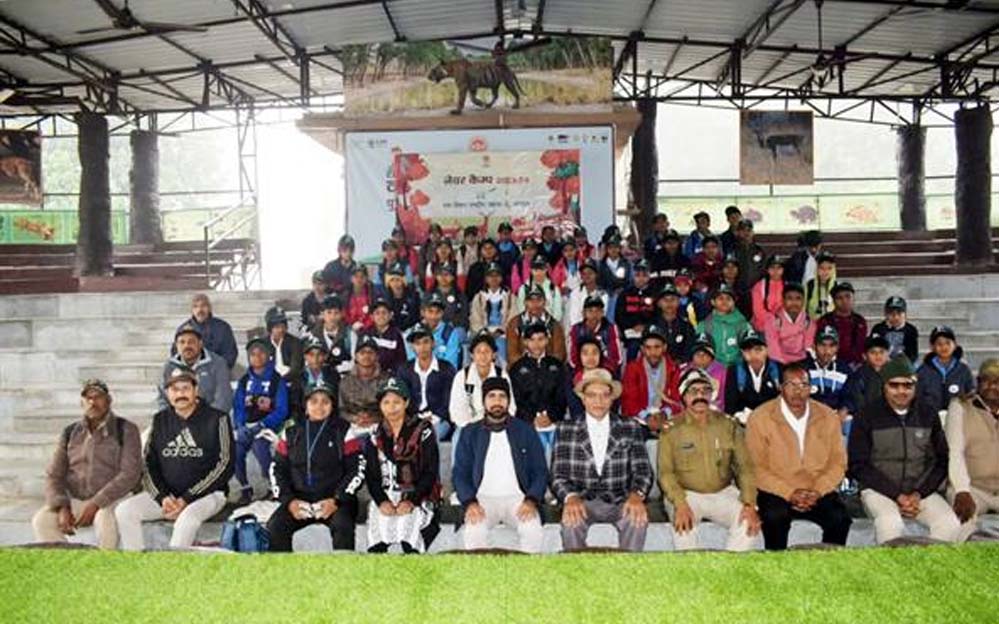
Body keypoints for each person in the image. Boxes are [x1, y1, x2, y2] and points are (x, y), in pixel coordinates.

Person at [116, 367, 234, 550]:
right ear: (167, 393)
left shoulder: (218, 419)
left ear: (196, 390)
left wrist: (187, 498)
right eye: (175, 389)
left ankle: (174, 565)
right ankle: (136, 562)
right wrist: (162, 497)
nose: (180, 394)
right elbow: (148, 464)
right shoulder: (160, 420)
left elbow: (225, 464)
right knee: (125, 511)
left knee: (186, 520)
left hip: (209, 495)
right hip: (169, 497)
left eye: (185, 388)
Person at [849, 356, 961, 544]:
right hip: (879, 490)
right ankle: (892, 565)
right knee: (890, 523)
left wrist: (918, 493)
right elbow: (858, 465)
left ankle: (930, 563)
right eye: (894, 385)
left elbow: (941, 460)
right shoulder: (866, 416)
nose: (901, 391)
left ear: (915, 386)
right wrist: (897, 495)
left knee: (949, 524)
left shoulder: (928, 414)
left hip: (920, 492)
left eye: (908, 385)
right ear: (884, 386)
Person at [746, 362, 852, 551]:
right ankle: (778, 566)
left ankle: (830, 565)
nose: (798, 391)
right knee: (774, 517)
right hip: (777, 489)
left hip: (817, 488)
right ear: (780, 387)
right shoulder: (761, 417)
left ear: (811, 388)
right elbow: (756, 467)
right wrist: (789, 493)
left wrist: (818, 490)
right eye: (791, 385)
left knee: (840, 518)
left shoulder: (827, 416)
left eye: (803, 385)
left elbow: (838, 463)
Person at [551, 369, 653, 552]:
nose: (598, 401)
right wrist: (571, 497)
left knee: (637, 519)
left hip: (621, 499)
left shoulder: (630, 426)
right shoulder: (566, 429)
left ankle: (630, 568)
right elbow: (558, 475)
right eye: (592, 395)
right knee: (571, 521)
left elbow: (643, 470)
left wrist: (636, 495)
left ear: (612, 398)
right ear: (583, 398)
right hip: (582, 499)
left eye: (605, 395)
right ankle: (575, 569)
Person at [33, 379, 141, 550]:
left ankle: (105, 564)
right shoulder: (71, 432)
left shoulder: (125, 429)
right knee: (42, 520)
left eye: (98, 397)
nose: (92, 402)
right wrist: (62, 506)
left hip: (112, 499)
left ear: (109, 400)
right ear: (81, 403)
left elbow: (130, 474)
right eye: (88, 398)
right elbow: (54, 475)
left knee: (105, 520)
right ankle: (66, 562)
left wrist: (96, 503)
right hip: (77, 500)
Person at [659, 369, 760, 552]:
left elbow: (744, 467)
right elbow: (665, 473)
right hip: (686, 494)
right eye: (693, 391)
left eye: (705, 391)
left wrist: (749, 503)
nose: (700, 396)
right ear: (684, 397)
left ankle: (728, 568)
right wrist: (679, 503)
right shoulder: (671, 429)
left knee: (748, 524)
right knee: (683, 527)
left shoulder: (728, 425)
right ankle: (692, 571)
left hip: (722, 491)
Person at [267, 380, 364, 552]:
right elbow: (277, 469)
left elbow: (357, 469)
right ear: (306, 405)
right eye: (314, 401)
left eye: (325, 402)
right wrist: (289, 501)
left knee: (343, 526)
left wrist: (337, 499)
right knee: (275, 526)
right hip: (299, 499)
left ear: (332, 406)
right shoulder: (291, 432)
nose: (319, 406)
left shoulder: (344, 431)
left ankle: (345, 569)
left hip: (335, 499)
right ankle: (283, 569)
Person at [453, 377, 547, 553]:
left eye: (502, 396)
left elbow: (540, 470)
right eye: (491, 396)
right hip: (482, 498)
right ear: (483, 401)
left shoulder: (525, 430)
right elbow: (460, 473)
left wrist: (532, 500)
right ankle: (482, 572)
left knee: (532, 530)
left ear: (509, 401)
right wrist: (470, 502)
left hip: (519, 498)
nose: (497, 401)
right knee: (474, 531)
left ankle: (529, 571)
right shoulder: (470, 432)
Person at [364, 377, 440, 553]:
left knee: (408, 528)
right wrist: (382, 501)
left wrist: (411, 501)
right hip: (385, 494)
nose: (391, 408)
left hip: (418, 495)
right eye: (386, 402)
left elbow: (430, 472)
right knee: (378, 536)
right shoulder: (375, 433)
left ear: (406, 403)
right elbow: (371, 475)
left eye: (396, 402)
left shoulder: (423, 430)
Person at [946, 359, 999, 541]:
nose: (992, 386)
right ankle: (960, 556)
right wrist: (961, 490)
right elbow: (955, 451)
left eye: (997, 381)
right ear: (978, 382)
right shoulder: (960, 406)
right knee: (963, 518)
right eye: (986, 380)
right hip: (972, 488)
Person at [232, 337, 289, 504]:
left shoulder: (277, 380)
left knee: (260, 446)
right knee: (236, 450)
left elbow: (282, 410)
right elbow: (238, 406)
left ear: (268, 355)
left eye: (261, 353)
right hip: (248, 425)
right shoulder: (244, 381)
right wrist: (240, 425)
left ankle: (273, 486)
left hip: (269, 426)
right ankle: (245, 488)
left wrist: (263, 424)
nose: (257, 357)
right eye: (253, 354)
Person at [509, 321, 568, 454]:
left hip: (554, 422)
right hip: (528, 423)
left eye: (541, 339)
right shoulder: (517, 368)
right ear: (525, 342)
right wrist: (532, 418)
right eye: (532, 340)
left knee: (557, 455)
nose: (536, 344)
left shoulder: (557, 366)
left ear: (547, 340)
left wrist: (551, 416)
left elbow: (562, 396)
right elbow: (516, 398)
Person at [449, 330, 518, 434]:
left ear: (494, 355)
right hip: (468, 426)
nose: (483, 355)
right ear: (472, 355)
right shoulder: (462, 377)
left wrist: (495, 423)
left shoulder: (501, 375)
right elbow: (456, 410)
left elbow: (511, 407)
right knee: (458, 438)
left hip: (497, 424)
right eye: (478, 351)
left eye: (487, 351)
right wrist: (472, 426)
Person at [397, 322, 456, 442]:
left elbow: (448, 400)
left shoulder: (446, 368)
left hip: (439, 419)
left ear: (433, 343)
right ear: (412, 347)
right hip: (412, 419)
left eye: (426, 342)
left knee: (428, 439)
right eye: (417, 343)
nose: (422, 347)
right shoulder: (405, 369)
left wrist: (434, 417)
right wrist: (416, 418)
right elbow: (402, 399)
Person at [158, 322, 232, 413]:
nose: (186, 346)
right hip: (177, 418)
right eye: (182, 342)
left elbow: (223, 399)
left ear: (200, 343)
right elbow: (162, 399)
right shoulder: (169, 366)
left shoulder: (218, 364)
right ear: (176, 345)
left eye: (191, 342)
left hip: (210, 417)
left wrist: (207, 419)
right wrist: (172, 418)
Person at [621, 325, 682, 436]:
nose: (653, 352)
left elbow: (676, 399)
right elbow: (629, 400)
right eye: (648, 348)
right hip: (639, 418)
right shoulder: (632, 368)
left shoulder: (674, 369)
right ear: (642, 349)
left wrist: (664, 414)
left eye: (657, 347)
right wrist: (647, 417)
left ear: (664, 347)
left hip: (666, 418)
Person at [725, 328, 782, 423]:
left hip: (773, 421)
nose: (753, 355)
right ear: (742, 353)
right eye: (748, 351)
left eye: (758, 350)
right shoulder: (735, 371)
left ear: (767, 350)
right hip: (744, 422)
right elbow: (730, 406)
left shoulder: (779, 369)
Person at [916, 325, 974, 415]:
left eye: (948, 343)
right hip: (929, 418)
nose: (944, 347)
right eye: (939, 344)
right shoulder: (923, 371)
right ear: (932, 347)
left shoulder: (963, 370)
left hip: (957, 417)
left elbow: (970, 394)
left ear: (955, 345)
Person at [468, 261, 517, 366]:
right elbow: (475, 318)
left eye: (497, 275)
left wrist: (500, 331)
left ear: (502, 278)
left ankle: (502, 370)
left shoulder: (509, 297)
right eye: (490, 276)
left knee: (501, 345)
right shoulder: (479, 297)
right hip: (484, 332)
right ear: (486, 278)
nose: (494, 279)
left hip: (503, 332)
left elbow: (513, 317)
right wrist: (485, 332)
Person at [339, 334, 388, 436]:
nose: (366, 356)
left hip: (380, 426)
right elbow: (341, 409)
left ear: (377, 356)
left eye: (370, 352)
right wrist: (355, 418)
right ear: (356, 356)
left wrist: (373, 419)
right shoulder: (346, 381)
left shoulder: (386, 380)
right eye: (362, 352)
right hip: (352, 425)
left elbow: (390, 408)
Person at [506, 283, 567, 363]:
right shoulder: (515, 323)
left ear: (545, 302)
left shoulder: (554, 325)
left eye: (539, 300)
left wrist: (544, 367)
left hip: (548, 366)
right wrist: (528, 367)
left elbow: (559, 354)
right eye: (531, 300)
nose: (535, 304)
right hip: (522, 366)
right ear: (525, 302)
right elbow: (512, 355)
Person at [175, 294, 237, 370]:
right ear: (191, 310)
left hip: (218, 371)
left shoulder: (223, 328)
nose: (200, 310)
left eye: (203, 306)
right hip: (190, 372)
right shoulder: (182, 330)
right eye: (195, 306)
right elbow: (176, 355)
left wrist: (218, 370)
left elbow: (230, 354)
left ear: (210, 308)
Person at [695, 283, 750, 367]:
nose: (724, 302)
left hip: (738, 366)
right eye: (720, 298)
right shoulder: (704, 325)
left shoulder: (743, 324)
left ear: (734, 302)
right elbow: (700, 351)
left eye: (728, 299)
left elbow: (750, 348)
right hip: (713, 368)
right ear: (713, 302)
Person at [567, 294, 623, 374]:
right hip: (582, 372)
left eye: (598, 311)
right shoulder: (576, 329)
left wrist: (601, 371)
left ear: (602, 313)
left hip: (605, 372)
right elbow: (572, 360)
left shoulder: (611, 329)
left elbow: (617, 359)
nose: (594, 314)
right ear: (584, 313)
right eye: (590, 311)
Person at [816, 282, 868, 369]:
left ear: (853, 298)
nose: (844, 301)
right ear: (833, 301)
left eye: (848, 296)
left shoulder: (860, 321)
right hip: (831, 364)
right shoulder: (825, 321)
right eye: (839, 298)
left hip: (855, 365)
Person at [615, 258, 657, 361]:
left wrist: (646, 326)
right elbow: (619, 315)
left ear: (649, 276)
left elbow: (657, 315)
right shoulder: (625, 294)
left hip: (650, 332)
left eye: (644, 275)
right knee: (633, 349)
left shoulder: (655, 293)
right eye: (638, 275)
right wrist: (632, 325)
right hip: (630, 333)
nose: (641, 279)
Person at [763, 281, 816, 364]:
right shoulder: (773, 320)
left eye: (798, 298)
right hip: (779, 361)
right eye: (789, 298)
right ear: (783, 300)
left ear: (803, 301)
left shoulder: (808, 321)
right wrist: (785, 364)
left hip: (801, 361)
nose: (794, 303)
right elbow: (773, 349)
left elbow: (808, 347)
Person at [566, 336, 618, 420]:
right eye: (585, 353)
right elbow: (574, 407)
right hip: (580, 422)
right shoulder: (572, 378)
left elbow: (614, 405)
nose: (590, 357)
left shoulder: (609, 376)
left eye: (595, 353)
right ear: (579, 356)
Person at [408, 292, 462, 368]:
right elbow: (411, 362)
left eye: (438, 312)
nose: (433, 316)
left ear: (442, 313)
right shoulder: (412, 333)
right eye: (430, 311)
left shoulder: (451, 333)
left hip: (443, 374)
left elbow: (451, 365)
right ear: (422, 312)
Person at [843, 333, 892, 418]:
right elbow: (856, 399)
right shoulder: (859, 375)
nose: (878, 355)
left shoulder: (895, 374)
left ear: (888, 354)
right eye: (873, 352)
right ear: (864, 356)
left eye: (882, 352)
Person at [805, 326, 851, 415]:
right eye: (822, 345)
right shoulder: (804, 368)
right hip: (810, 415)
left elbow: (849, 397)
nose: (827, 351)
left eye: (832, 346)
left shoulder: (844, 370)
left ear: (837, 347)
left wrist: (844, 409)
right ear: (814, 346)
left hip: (835, 415)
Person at [293, 335, 340, 417]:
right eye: (311, 355)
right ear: (305, 356)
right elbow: (295, 405)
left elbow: (336, 402)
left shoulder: (333, 376)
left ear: (325, 356)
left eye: (319, 355)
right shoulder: (298, 378)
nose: (315, 359)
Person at [309, 294, 355, 374]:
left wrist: (337, 369)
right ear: (322, 314)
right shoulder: (312, 335)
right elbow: (308, 361)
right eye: (329, 312)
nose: (332, 317)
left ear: (341, 314)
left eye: (336, 313)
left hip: (344, 374)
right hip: (320, 375)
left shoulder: (350, 335)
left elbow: (355, 361)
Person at [682, 333, 728, 412]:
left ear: (712, 356)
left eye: (705, 354)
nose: (701, 357)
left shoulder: (722, 372)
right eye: (697, 354)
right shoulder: (685, 371)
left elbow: (725, 400)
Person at [360, 297, 408, 374]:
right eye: (377, 313)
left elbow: (402, 361)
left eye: (384, 313)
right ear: (372, 317)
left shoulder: (396, 335)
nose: (381, 316)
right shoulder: (366, 334)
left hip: (390, 375)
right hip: (369, 374)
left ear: (390, 315)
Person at [654, 282, 697, 364]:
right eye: (665, 300)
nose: (669, 303)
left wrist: (680, 360)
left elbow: (690, 349)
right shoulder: (652, 325)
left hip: (681, 366)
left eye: (673, 299)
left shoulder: (686, 325)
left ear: (679, 302)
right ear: (659, 303)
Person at [515, 255, 563, 323]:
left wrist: (549, 324)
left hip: (549, 325)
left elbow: (557, 312)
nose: (539, 272)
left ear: (546, 269)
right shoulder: (524, 289)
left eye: (541, 269)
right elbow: (521, 310)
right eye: (536, 269)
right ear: (531, 270)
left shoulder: (553, 289)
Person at [871, 295, 919, 362]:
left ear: (905, 314)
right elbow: (874, 350)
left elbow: (912, 355)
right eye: (891, 313)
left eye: (899, 313)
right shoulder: (878, 329)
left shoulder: (911, 330)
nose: (896, 317)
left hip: (903, 364)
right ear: (885, 314)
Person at [265, 306, 303, 381]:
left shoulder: (295, 343)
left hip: (290, 381)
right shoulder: (263, 344)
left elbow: (295, 369)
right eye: (277, 327)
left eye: (283, 326)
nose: (281, 330)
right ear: (270, 328)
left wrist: (280, 381)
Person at [379, 263, 421, 332]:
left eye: (398, 280)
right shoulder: (384, 299)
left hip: (411, 331)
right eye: (392, 280)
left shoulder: (414, 297)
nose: (395, 283)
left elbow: (416, 317)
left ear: (403, 281)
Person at [565, 258, 607, 327]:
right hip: (579, 329)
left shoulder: (603, 294)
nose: (587, 276)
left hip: (599, 328)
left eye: (590, 273)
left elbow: (602, 315)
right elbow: (574, 318)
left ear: (596, 274)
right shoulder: (575, 293)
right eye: (584, 274)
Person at [750, 255, 785, 332]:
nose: (776, 271)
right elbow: (758, 312)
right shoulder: (759, 286)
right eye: (772, 268)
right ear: (768, 270)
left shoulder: (787, 286)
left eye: (779, 268)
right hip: (763, 328)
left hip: (783, 328)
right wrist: (774, 321)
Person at [432, 263, 469, 331]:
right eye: (440, 275)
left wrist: (451, 325)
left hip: (455, 328)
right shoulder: (429, 294)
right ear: (436, 277)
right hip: (434, 328)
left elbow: (464, 316)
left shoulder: (460, 295)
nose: (443, 278)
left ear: (452, 277)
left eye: (446, 275)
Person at [733, 219, 766, 294]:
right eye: (743, 230)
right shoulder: (733, 250)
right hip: (737, 290)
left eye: (749, 230)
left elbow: (763, 270)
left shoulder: (759, 251)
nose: (746, 233)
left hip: (756, 290)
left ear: (753, 232)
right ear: (737, 232)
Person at [323, 234, 358, 298]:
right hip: (334, 300)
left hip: (352, 300)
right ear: (339, 250)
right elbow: (324, 288)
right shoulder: (330, 267)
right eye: (345, 250)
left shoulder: (357, 268)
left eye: (351, 250)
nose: (348, 253)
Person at [804, 251, 837, 320]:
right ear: (817, 269)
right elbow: (803, 307)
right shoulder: (810, 285)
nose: (825, 271)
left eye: (829, 268)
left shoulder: (836, 287)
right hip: (813, 323)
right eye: (822, 268)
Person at [345, 265, 377, 332]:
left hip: (369, 328)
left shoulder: (372, 294)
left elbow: (374, 313)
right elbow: (344, 313)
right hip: (349, 328)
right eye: (356, 276)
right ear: (351, 278)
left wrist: (364, 326)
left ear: (366, 278)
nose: (359, 279)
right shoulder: (345, 295)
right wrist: (352, 325)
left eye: (362, 277)